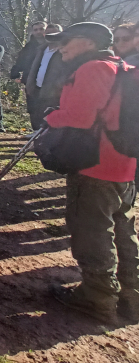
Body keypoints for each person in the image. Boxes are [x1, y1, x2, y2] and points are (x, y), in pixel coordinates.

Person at [44, 22, 138, 325]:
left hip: (96, 166)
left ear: (88, 42)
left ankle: (98, 298)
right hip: (124, 166)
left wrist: (52, 116)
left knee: (92, 231)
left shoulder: (93, 68)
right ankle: (131, 296)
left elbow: (81, 118)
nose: (61, 47)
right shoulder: (123, 68)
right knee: (122, 230)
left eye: (66, 41)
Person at [24, 24, 67, 133]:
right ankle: (36, 133)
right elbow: (34, 67)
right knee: (36, 112)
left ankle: (49, 136)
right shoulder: (41, 49)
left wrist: (58, 85)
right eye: (48, 34)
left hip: (53, 91)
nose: (51, 36)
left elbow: (67, 71)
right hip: (37, 87)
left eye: (54, 33)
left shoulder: (63, 51)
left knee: (50, 115)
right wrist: (30, 83)